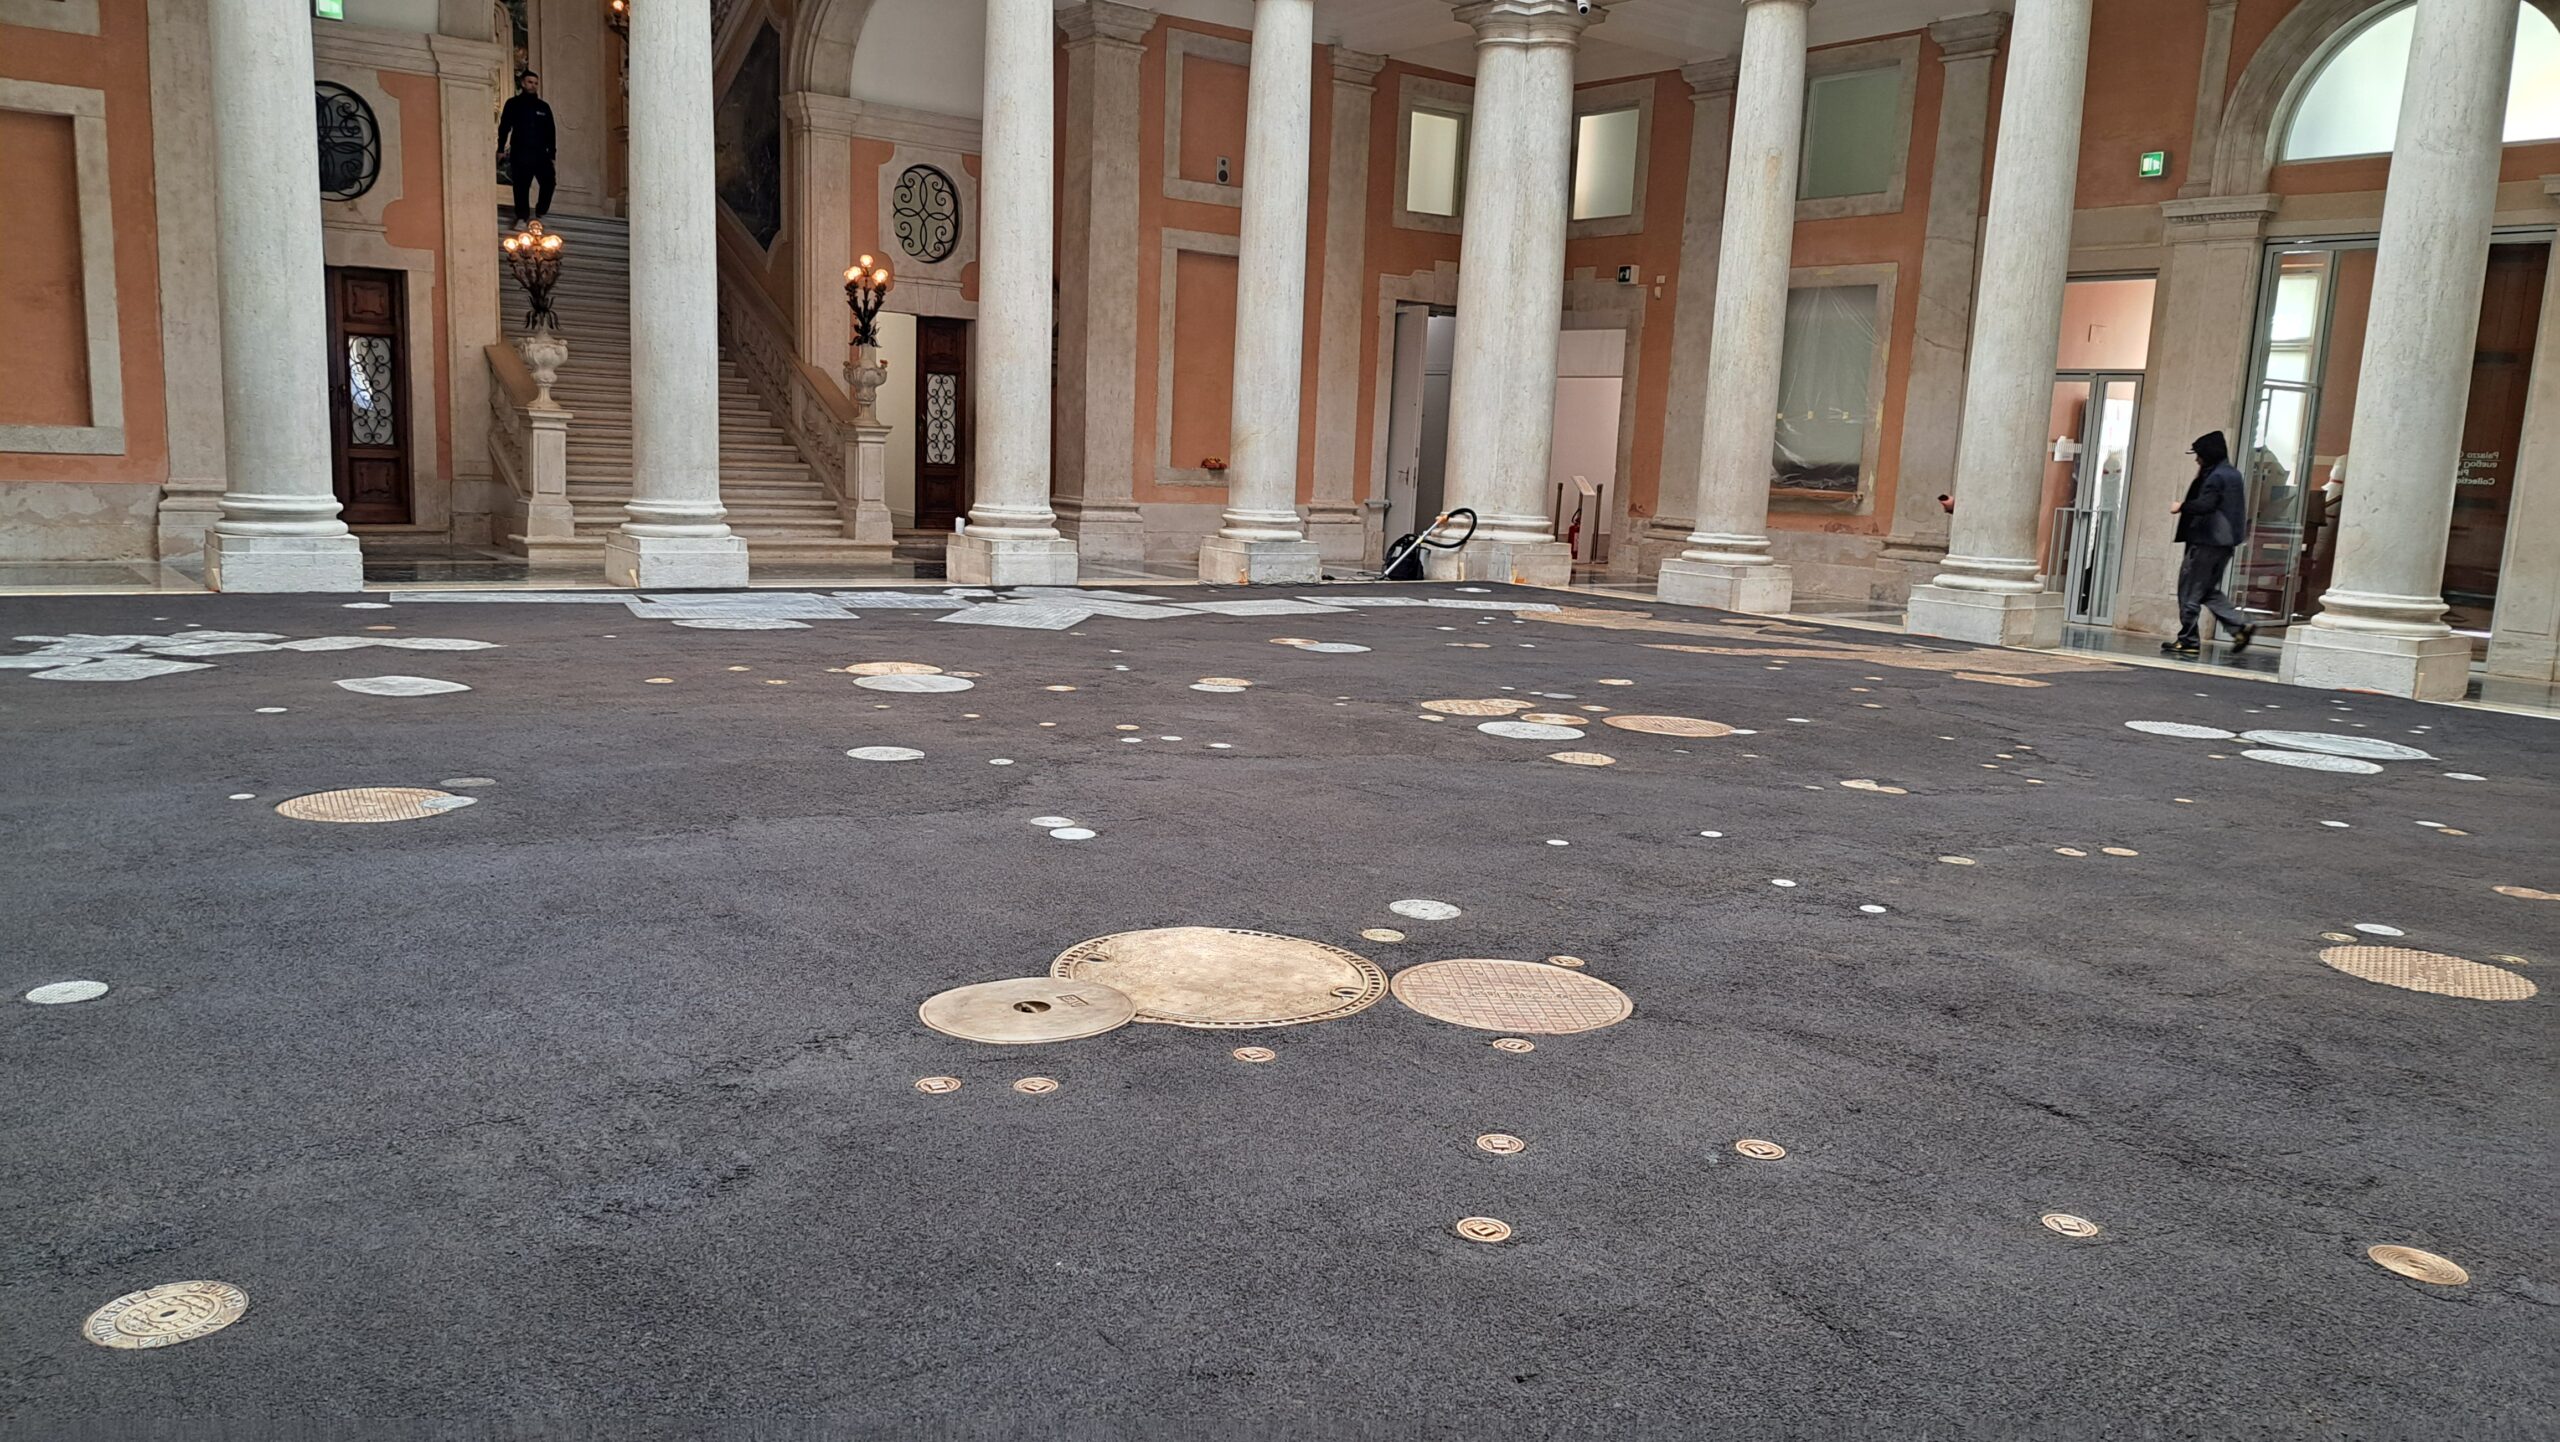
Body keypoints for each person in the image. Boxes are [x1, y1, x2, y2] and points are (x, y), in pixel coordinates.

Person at [2164, 430, 2255, 656]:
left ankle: (2188, 640)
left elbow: (2207, 504)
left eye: (2199, 455)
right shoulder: (2233, 474)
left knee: (2188, 591)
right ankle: (2239, 626)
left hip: (2206, 541)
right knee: (2204, 591)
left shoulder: (2216, 476)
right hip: (2224, 544)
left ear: (2208, 454)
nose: (2197, 459)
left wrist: (2181, 506)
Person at [497, 72, 556, 227]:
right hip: (520, 151)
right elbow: (504, 127)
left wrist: (552, 154)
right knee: (521, 186)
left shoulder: (544, 107)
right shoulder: (513, 104)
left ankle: (540, 212)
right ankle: (522, 217)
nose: (533, 85)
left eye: (536, 83)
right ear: (523, 83)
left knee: (549, 182)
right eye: (530, 82)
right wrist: (500, 148)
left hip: (541, 153)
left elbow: (551, 131)